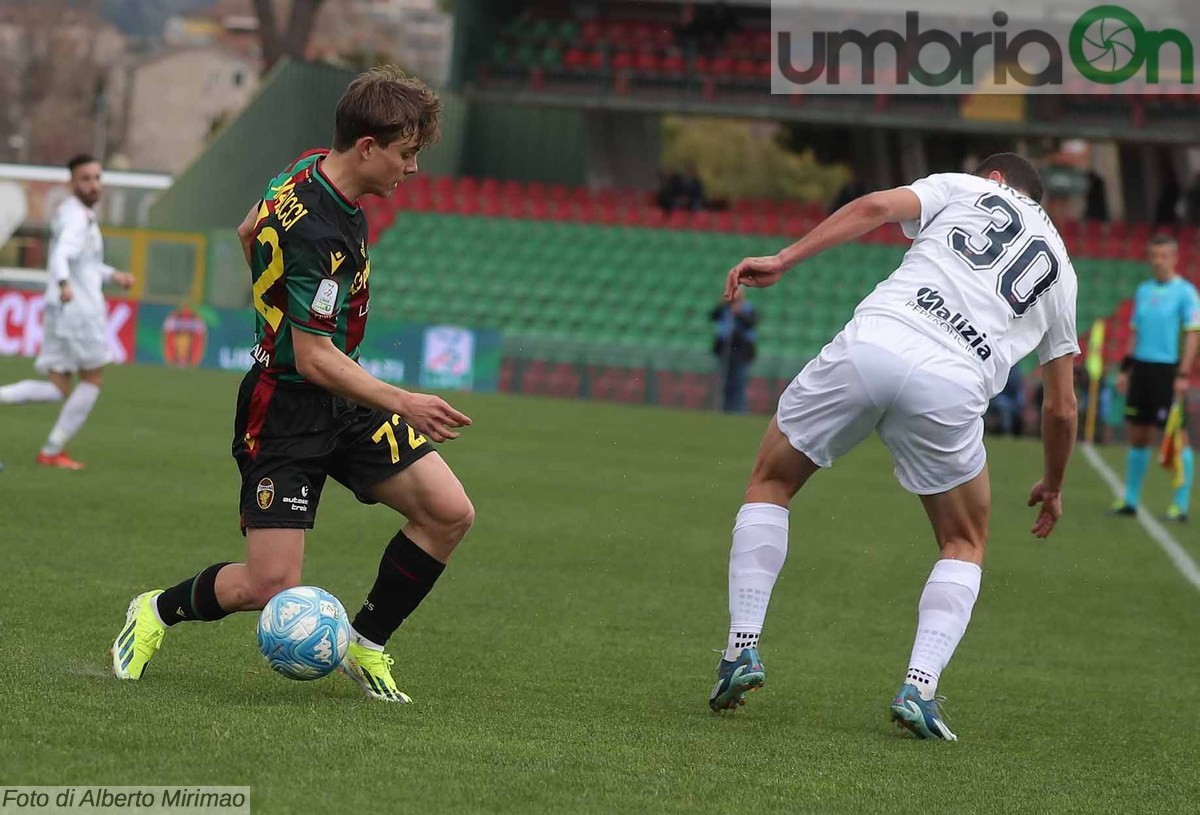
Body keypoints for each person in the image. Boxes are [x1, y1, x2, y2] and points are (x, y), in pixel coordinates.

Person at [110, 67, 475, 703]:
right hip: (286, 407)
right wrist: (404, 400)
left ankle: (366, 645)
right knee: (268, 585)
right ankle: (155, 611)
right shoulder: (320, 230)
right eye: (406, 153)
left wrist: (271, 299)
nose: (413, 169)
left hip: (343, 397)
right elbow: (311, 358)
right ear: (368, 147)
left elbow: (250, 228)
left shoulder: (308, 168)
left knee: (447, 513)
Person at [708, 154, 1080, 741]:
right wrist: (1053, 484)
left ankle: (741, 649)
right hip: (954, 382)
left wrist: (783, 258)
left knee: (771, 481)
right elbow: (1061, 405)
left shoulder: (967, 187)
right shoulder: (1061, 269)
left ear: (997, 180)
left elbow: (877, 207)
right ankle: (919, 687)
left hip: (877, 341)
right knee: (964, 541)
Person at [0, 154, 134, 468]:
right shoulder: (79, 218)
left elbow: (82, 262)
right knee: (93, 379)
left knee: (58, 387)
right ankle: (52, 450)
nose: (93, 184)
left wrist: (111, 274)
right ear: (70, 183)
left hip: (61, 310)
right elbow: (62, 254)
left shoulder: (69, 212)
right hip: (79, 311)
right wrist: (63, 283)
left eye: (97, 177)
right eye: (85, 178)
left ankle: (50, 448)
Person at [1111, 234, 1199, 522]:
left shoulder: (1186, 292)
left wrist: (1183, 374)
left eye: (1164, 256)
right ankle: (1131, 499)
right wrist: (1126, 370)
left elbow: (1192, 335)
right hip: (1142, 371)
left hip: (1167, 370)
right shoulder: (1144, 290)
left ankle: (1181, 504)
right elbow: (1134, 333)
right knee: (1138, 435)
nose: (1158, 261)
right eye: (1154, 256)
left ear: (1174, 258)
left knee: (1176, 436)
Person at [710, 289, 757, 413]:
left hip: (741, 352)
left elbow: (751, 322)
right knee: (725, 382)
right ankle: (725, 408)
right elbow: (713, 315)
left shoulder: (747, 308)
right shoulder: (724, 308)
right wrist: (724, 304)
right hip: (725, 350)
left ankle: (738, 410)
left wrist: (739, 313)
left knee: (739, 382)